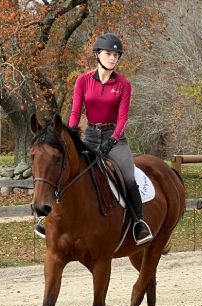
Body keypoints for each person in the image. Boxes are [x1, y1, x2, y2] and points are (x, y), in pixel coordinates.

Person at [67, 32, 153, 245]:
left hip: (115, 139)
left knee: (129, 178)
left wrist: (113, 140)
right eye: (108, 53)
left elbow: (123, 117)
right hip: (89, 136)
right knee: (68, 170)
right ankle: (50, 219)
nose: (113, 58)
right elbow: (76, 113)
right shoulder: (83, 81)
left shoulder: (123, 85)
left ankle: (138, 223)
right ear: (97, 55)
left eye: (116, 55)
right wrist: (70, 135)